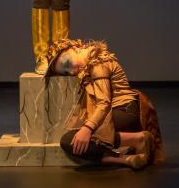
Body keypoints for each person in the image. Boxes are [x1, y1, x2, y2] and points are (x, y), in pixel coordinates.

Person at [45, 39, 165, 169]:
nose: (71, 72)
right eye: (65, 72)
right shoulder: (87, 67)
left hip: (124, 111)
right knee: (69, 141)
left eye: (67, 63)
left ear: (75, 48)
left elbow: (104, 102)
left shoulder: (98, 62)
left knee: (74, 138)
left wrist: (87, 128)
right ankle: (126, 159)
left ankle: (138, 139)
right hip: (114, 112)